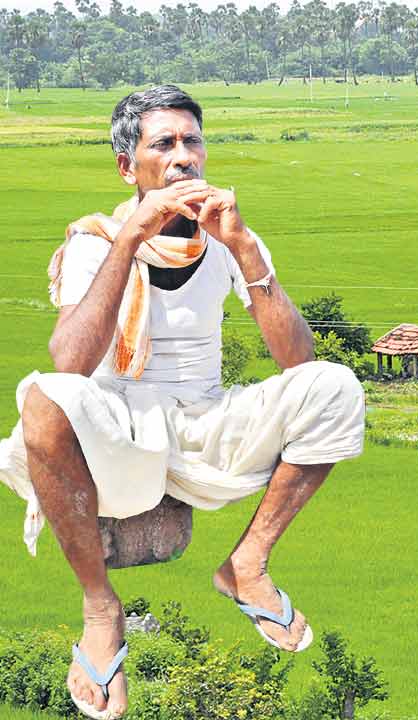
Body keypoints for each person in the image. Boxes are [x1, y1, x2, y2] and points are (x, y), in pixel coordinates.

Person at [0, 85, 366, 719]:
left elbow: (296, 364)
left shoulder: (225, 237)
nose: (183, 158)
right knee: (42, 397)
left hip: (207, 421)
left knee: (335, 385)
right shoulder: (96, 238)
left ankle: (247, 564)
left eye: (192, 141)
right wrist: (132, 235)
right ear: (127, 167)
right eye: (163, 144)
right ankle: (99, 607)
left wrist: (245, 247)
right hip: (120, 430)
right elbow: (72, 361)